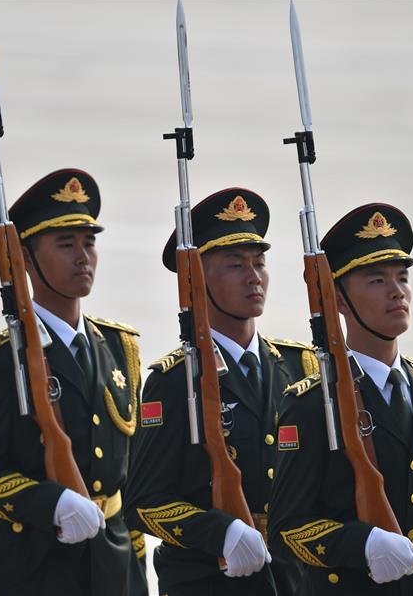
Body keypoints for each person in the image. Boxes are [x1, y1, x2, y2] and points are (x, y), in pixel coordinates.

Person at [0, 169, 147, 596]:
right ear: (24, 257)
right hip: (30, 569)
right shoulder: (1, 359)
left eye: (89, 242)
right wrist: (50, 503)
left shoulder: (119, 348)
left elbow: (127, 478)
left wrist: (135, 566)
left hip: (111, 567)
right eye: (66, 245)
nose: (83, 256)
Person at [125, 188, 319, 596]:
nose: (254, 276)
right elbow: (145, 502)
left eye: (260, 263)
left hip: (291, 579)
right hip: (207, 581)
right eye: (235, 265)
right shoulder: (175, 379)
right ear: (196, 280)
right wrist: (220, 532)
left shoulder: (299, 367)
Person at [268, 203, 413, 596]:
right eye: (376, 280)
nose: (397, 291)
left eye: (402, 278)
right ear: (338, 300)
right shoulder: (312, 403)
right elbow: (288, 527)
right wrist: (362, 543)